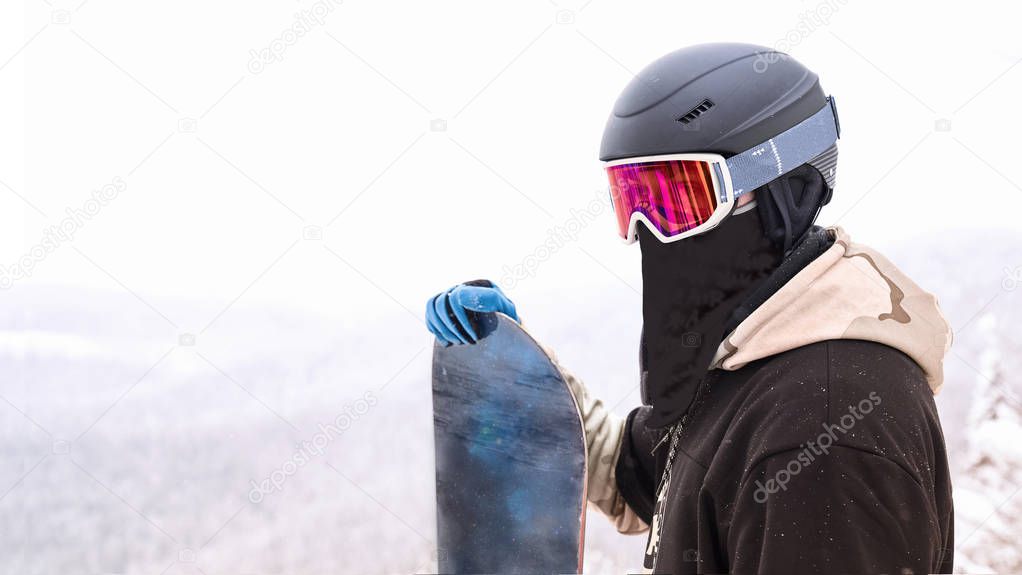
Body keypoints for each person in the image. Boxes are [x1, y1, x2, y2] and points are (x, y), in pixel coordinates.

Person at [425, 43, 954, 574]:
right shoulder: (747, 361)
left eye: (679, 200)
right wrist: (520, 381)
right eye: (632, 199)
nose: (647, 231)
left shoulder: (826, 428)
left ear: (784, 194)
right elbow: (637, 480)